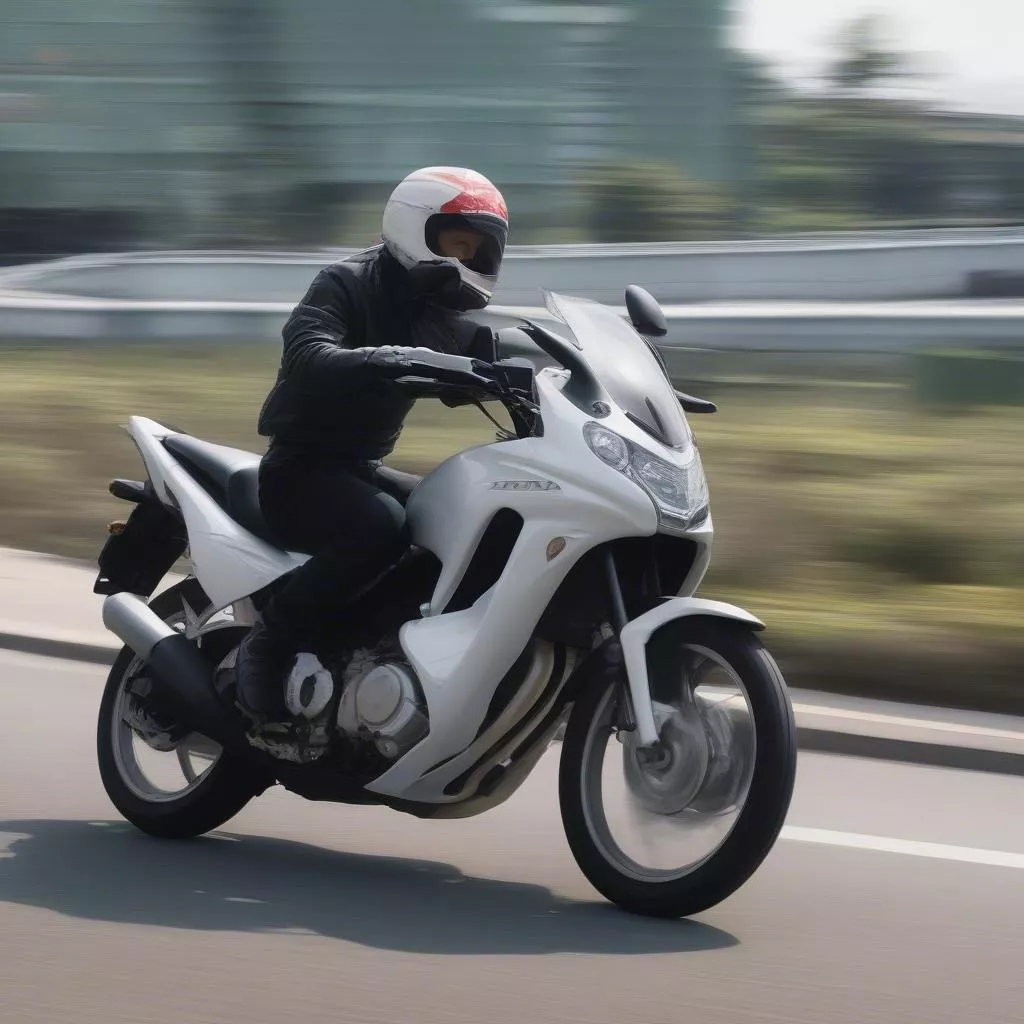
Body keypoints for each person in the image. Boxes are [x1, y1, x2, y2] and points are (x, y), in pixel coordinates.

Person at [235, 167, 509, 721]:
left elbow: (501, 353)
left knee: (464, 516)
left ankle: (385, 644)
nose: (467, 258)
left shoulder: (438, 313)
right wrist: (384, 357)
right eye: (458, 242)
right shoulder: (346, 281)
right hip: (300, 470)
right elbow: (307, 352)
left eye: (479, 248)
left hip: (360, 468)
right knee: (380, 527)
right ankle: (271, 641)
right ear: (416, 227)